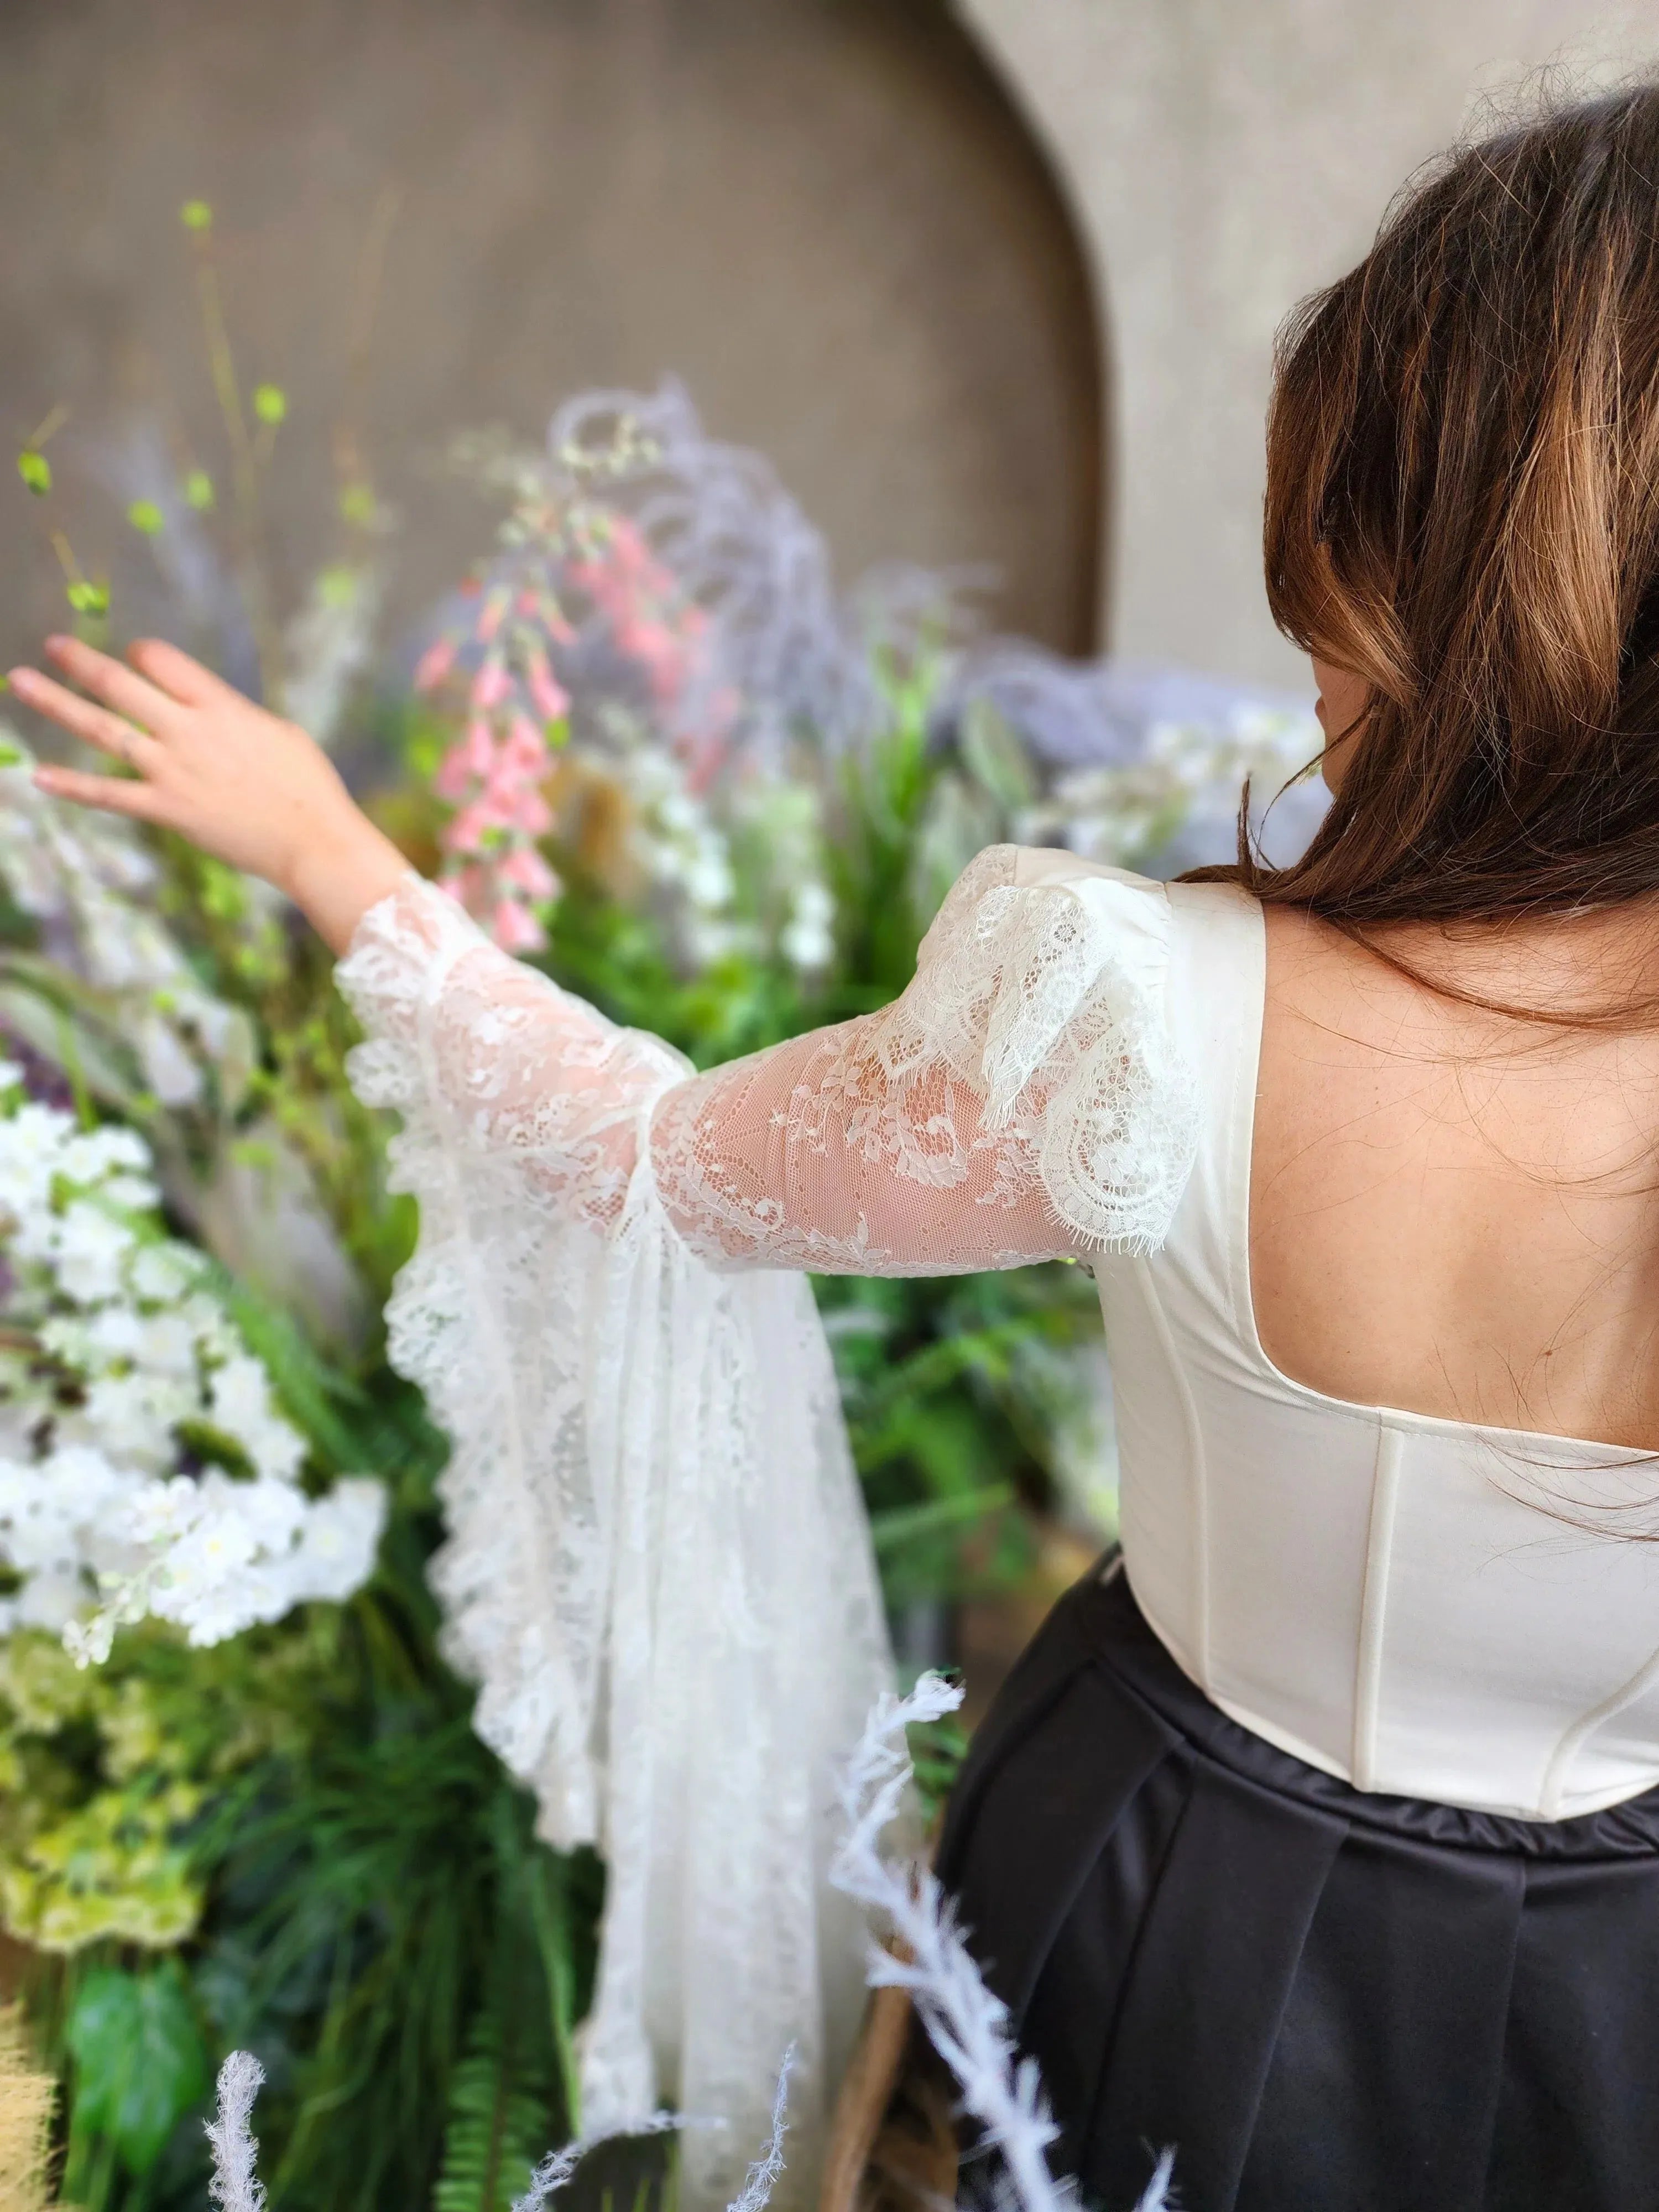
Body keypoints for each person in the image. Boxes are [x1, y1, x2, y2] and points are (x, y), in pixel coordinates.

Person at [15, 79, 1659, 2212]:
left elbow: (643, 1163)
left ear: (1455, 570)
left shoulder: (1132, 1011)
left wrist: (330, 849)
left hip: (1182, 1892)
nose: (1309, 659)